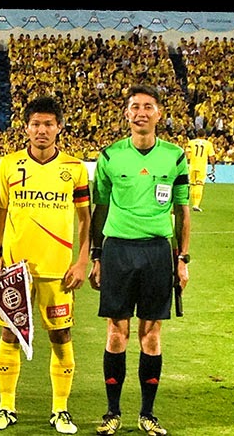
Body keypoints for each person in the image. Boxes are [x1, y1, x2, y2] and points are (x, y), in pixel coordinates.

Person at [89, 84, 191, 436]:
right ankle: (112, 412)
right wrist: (97, 255)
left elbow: (182, 211)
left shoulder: (175, 157)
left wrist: (182, 259)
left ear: (158, 113)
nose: (141, 112)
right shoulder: (109, 156)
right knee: (116, 333)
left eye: (148, 106)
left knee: (151, 335)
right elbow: (100, 208)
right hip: (117, 250)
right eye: (135, 106)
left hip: (157, 252)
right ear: (126, 113)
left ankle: (147, 414)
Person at [0, 96, 91, 434]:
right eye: (35, 124)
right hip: (16, 270)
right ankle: (6, 407)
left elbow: (86, 219)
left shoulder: (74, 169)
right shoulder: (9, 165)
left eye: (48, 124)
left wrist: (82, 261)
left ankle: (60, 410)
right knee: (10, 332)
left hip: (58, 271)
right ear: (26, 127)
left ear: (59, 127)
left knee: (61, 334)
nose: (41, 130)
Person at [185, 128, 216, 212]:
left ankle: (190, 203)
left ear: (197, 134)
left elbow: (187, 154)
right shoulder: (208, 144)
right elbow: (211, 157)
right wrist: (213, 166)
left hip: (192, 166)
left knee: (192, 184)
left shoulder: (191, 142)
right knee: (199, 185)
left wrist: (188, 161)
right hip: (201, 167)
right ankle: (196, 204)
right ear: (205, 135)